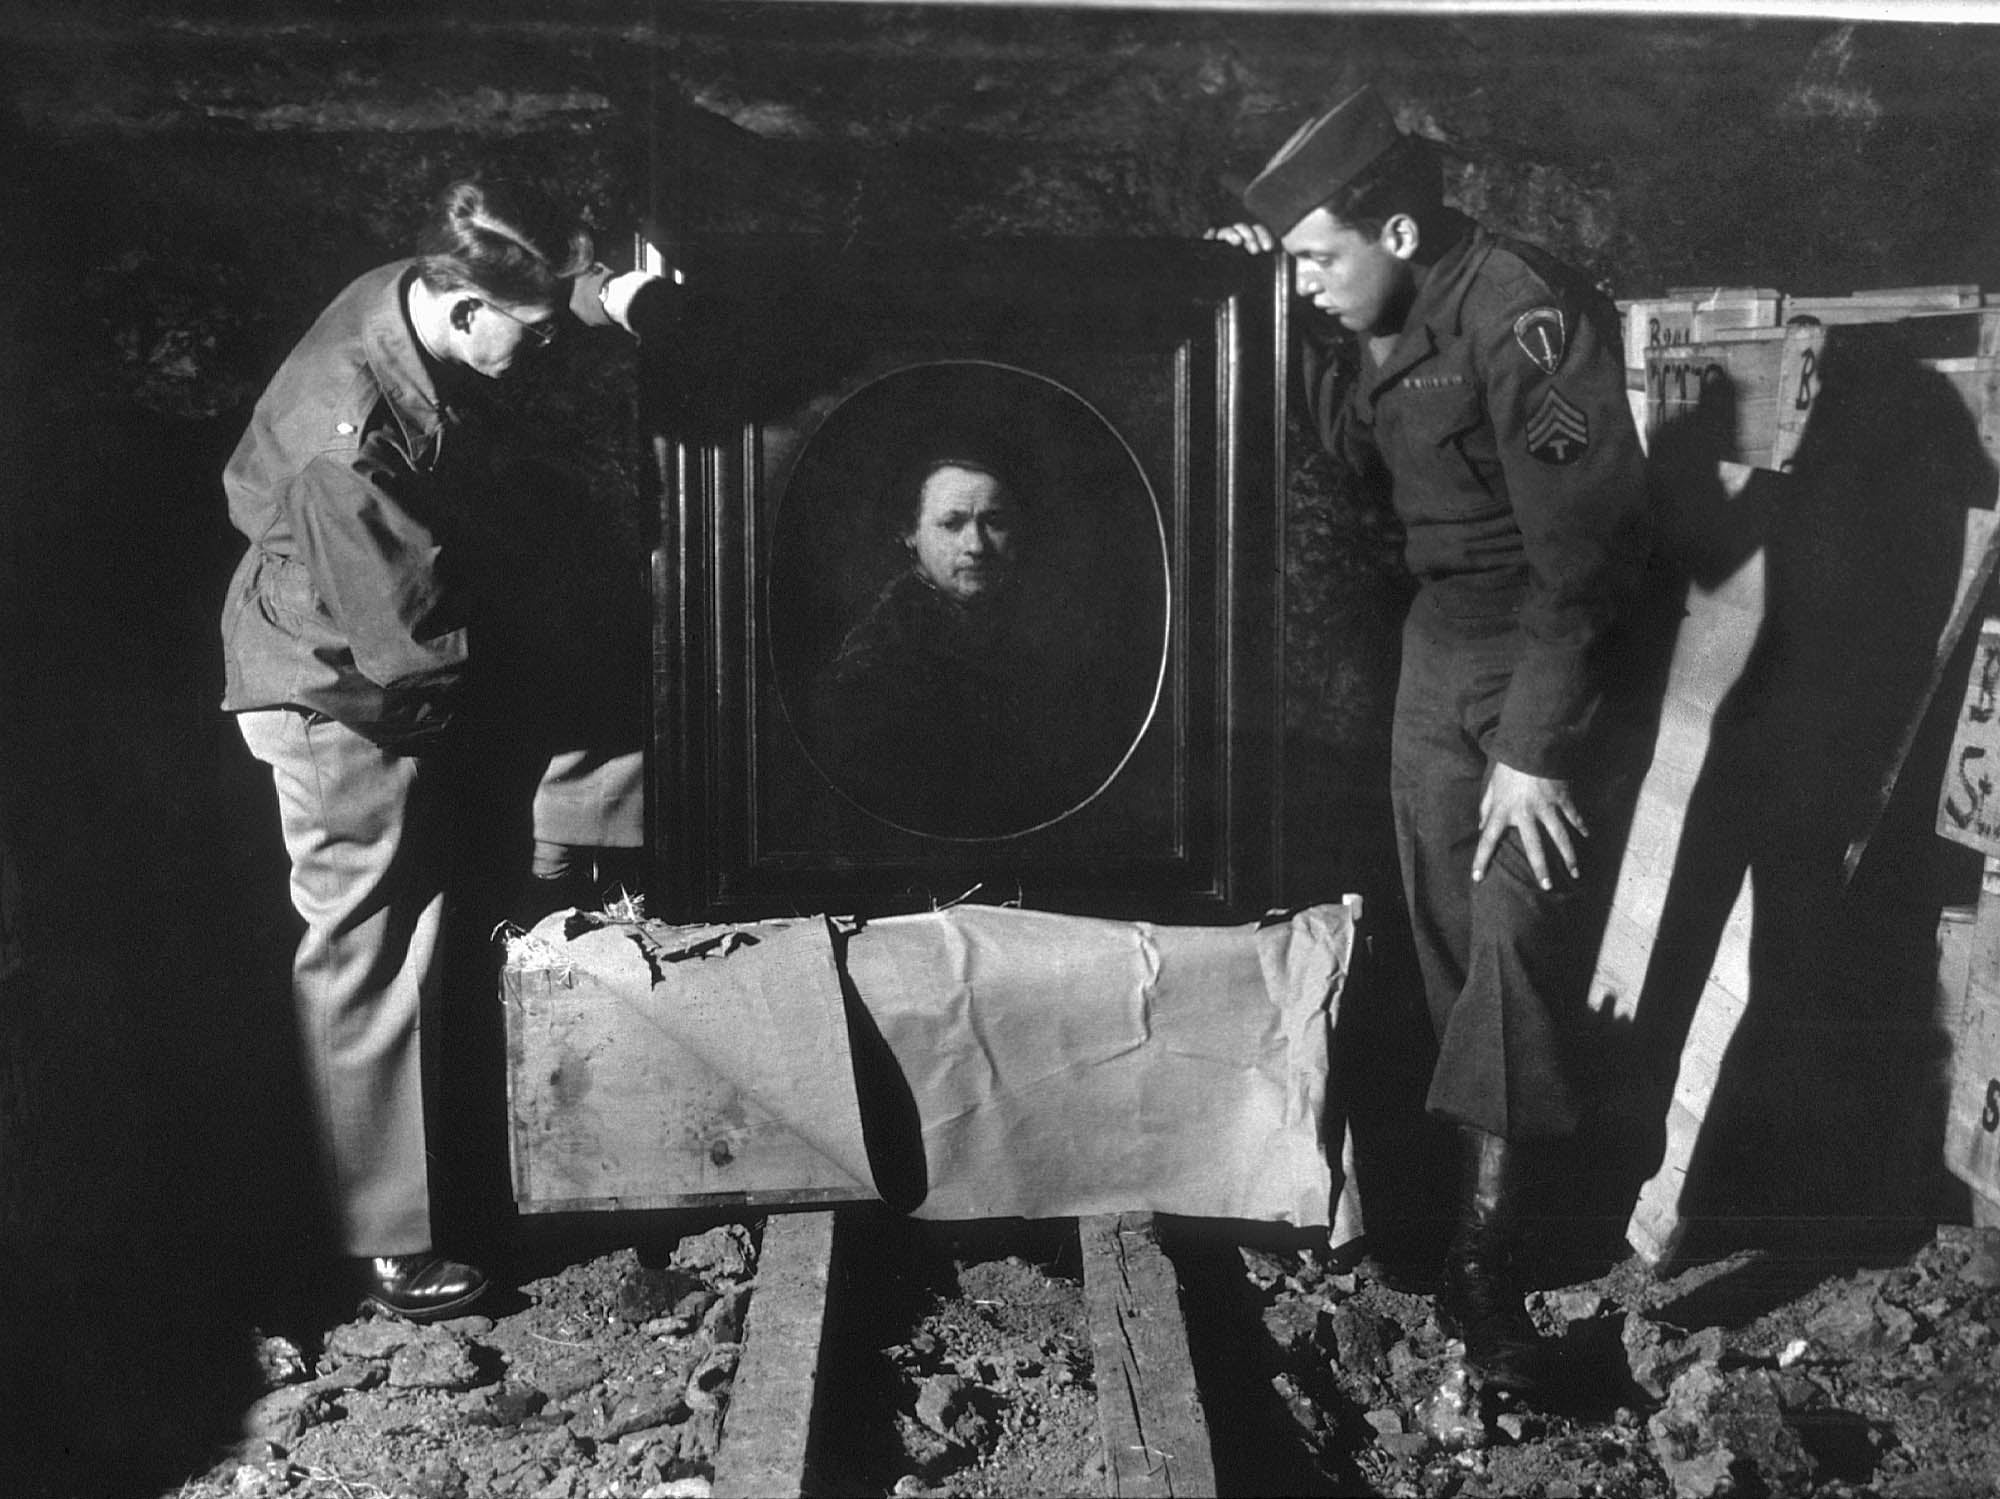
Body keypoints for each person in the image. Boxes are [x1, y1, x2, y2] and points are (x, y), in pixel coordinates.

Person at [1213, 86, 1650, 1393]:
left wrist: (1537, 746)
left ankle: (1488, 1268)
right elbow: (1344, 442)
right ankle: (1460, 1213)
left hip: (1537, 663)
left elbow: (1588, 551)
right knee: (1450, 948)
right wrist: (1269, 300)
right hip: (1437, 651)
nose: (1311, 283)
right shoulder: (1390, 317)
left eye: (1317, 257)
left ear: (1396, 227)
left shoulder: (1526, 315)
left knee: (1511, 948)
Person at [220, 178, 664, 1320]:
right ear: (463, 310)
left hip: (386, 628)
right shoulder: (348, 431)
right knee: (360, 944)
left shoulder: (410, 291)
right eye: (536, 327)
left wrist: (606, 297)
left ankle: (464, 1139)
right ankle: (390, 1243)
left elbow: (521, 282)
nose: (545, 339)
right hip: (336, 687)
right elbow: (415, 654)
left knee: (434, 911)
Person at [808, 451, 1104, 838]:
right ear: (910, 533)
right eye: (952, 524)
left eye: (994, 522)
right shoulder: (876, 664)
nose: (977, 546)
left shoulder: (1041, 648)